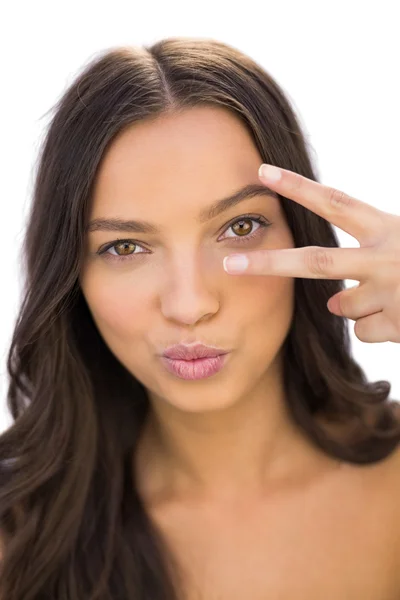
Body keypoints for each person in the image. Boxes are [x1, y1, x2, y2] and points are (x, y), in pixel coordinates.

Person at [0, 37, 399, 600]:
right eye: (125, 247)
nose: (189, 305)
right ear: (70, 277)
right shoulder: (17, 537)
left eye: (239, 227)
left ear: (303, 234)